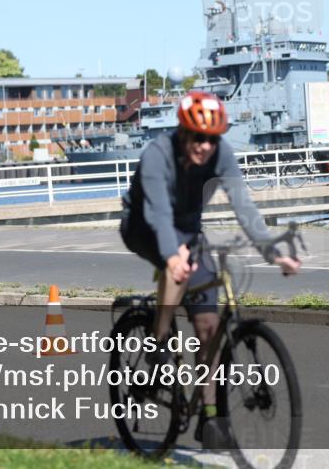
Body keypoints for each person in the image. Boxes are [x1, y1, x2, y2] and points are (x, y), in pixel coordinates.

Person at [120, 91, 301, 444]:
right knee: (178, 263)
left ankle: (211, 416)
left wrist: (272, 252)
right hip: (142, 225)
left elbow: (243, 206)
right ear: (183, 133)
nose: (204, 146)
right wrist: (172, 257)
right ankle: (157, 342)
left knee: (208, 325)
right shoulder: (157, 155)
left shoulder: (221, 154)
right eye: (197, 138)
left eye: (212, 139)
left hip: (188, 231)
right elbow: (159, 215)